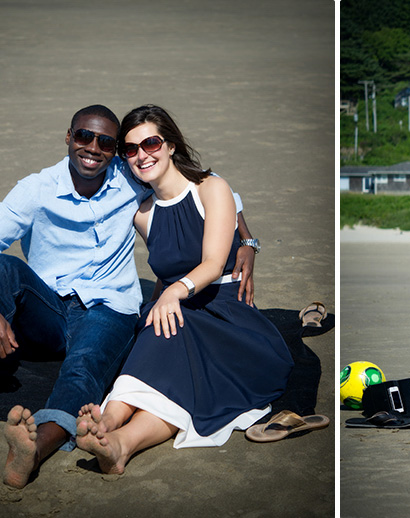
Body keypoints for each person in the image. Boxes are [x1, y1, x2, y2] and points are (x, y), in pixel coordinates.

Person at [0, 105, 259, 489]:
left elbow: (212, 188)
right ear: (69, 137)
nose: (93, 148)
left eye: (106, 142)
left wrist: (245, 241)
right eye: (84, 136)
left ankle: (37, 447)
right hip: (47, 309)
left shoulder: (131, 176)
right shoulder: (38, 188)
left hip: (109, 307)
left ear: (114, 150)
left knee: (83, 368)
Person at [74, 105, 292, 475]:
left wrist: (176, 291)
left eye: (151, 143)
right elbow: (164, 274)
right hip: (176, 310)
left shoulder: (210, 188)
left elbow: (211, 262)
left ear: (171, 145)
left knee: (181, 365)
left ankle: (120, 440)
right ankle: (108, 426)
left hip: (226, 315)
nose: (142, 155)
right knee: (158, 335)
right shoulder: (143, 214)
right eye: (131, 149)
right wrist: (158, 301)